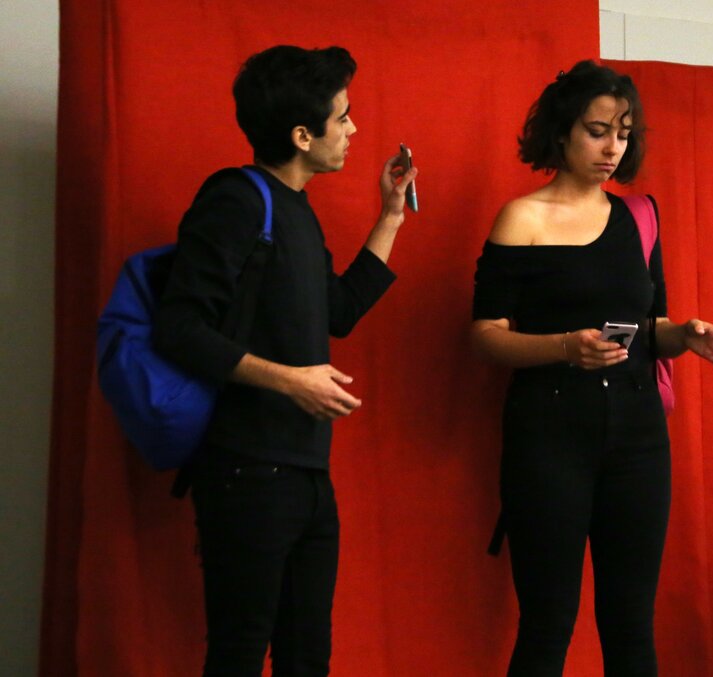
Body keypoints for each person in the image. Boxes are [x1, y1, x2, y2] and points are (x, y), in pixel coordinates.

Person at [153, 45, 417, 676]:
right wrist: (289, 380)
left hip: (306, 475)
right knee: (239, 653)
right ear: (302, 135)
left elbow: (339, 312)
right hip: (245, 470)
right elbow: (179, 328)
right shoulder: (236, 200)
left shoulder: (296, 209)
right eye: (342, 117)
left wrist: (390, 215)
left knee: (307, 656)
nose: (353, 129)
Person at [470, 60, 713, 676]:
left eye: (623, 132)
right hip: (549, 437)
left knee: (631, 626)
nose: (612, 147)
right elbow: (485, 336)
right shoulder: (522, 218)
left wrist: (683, 335)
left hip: (639, 439)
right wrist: (566, 347)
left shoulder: (639, 215)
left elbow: (649, 325)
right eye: (597, 131)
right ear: (562, 131)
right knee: (547, 626)